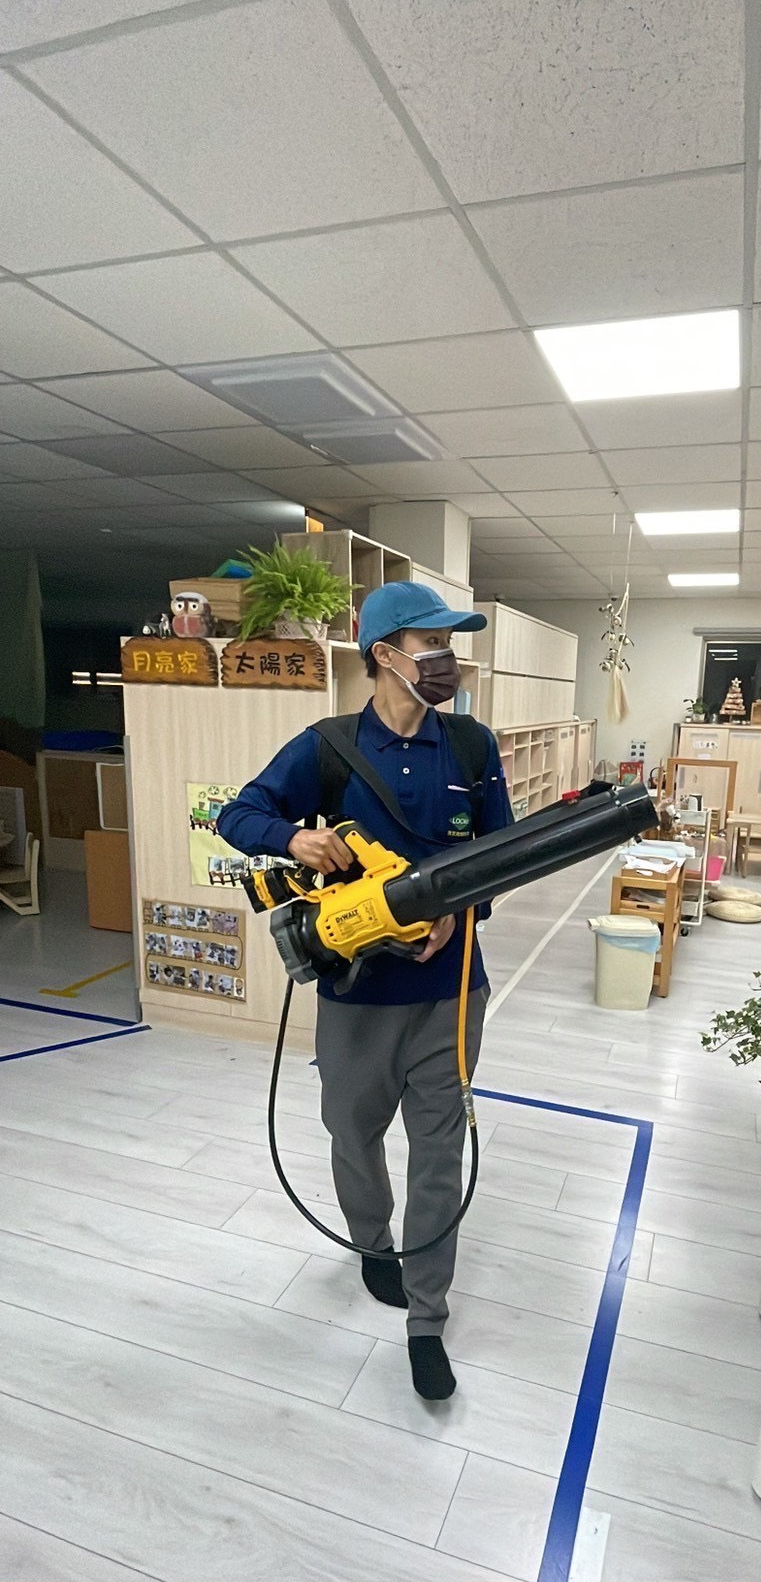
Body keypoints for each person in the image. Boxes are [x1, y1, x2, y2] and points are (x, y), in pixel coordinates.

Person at [217, 581, 513, 1400]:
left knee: (439, 1156)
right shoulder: (328, 747)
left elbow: (502, 855)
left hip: (451, 994)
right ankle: (373, 1243)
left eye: (452, 644)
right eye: (432, 643)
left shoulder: (472, 748)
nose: (447, 658)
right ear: (384, 654)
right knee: (352, 1134)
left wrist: (461, 909)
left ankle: (427, 1319)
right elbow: (237, 814)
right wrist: (294, 838)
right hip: (354, 996)